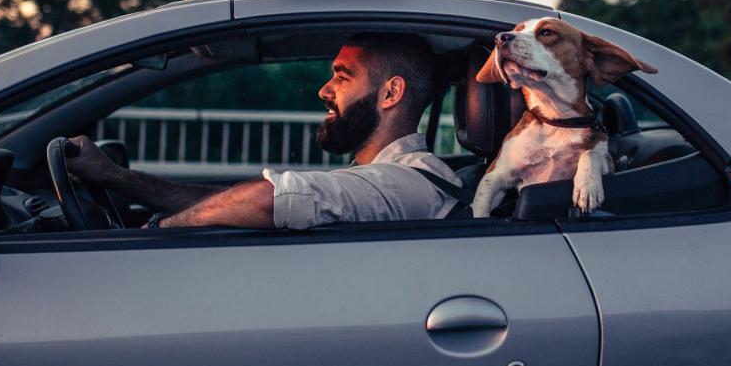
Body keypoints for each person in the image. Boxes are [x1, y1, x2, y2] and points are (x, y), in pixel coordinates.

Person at [65, 33, 460, 229]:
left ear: (391, 93)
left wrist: (153, 236)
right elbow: (229, 199)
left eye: (342, 77)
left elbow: (269, 198)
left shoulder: (410, 181)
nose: (324, 90)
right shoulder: (383, 179)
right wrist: (115, 177)